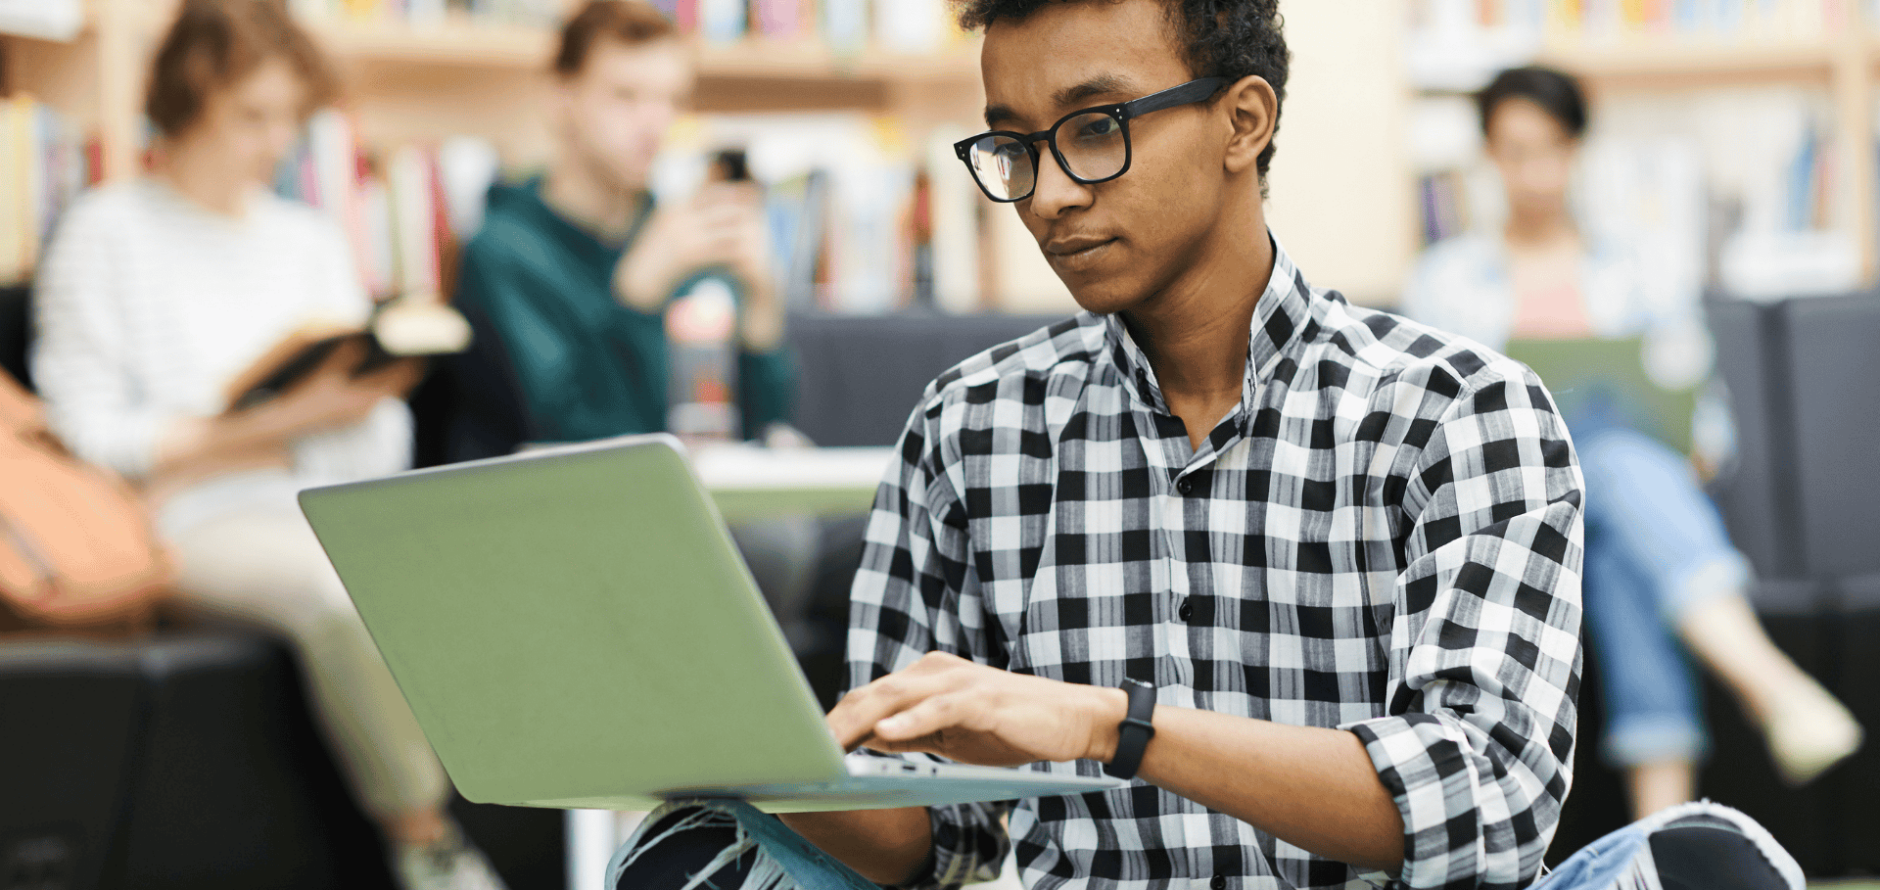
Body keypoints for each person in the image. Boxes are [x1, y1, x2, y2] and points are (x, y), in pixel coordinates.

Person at [615, 1, 1593, 887]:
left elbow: (1491, 801)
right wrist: (753, 750)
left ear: (1241, 122)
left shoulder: (1458, 412)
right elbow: (933, 838)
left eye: (1093, 128)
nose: (1045, 194)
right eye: (1011, 145)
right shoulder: (969, 428)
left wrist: (1108, 723)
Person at [30, 2, 504, 888]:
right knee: (337, 592)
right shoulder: (105, 233)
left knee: (500, 558)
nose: (276, 141)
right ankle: (426, 840)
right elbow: (90, 442)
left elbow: (378, 440)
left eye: (290, 117)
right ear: (187, 103)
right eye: (253, 115)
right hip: (184, 526)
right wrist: (271, 431)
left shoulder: (308, 241)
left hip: (319, 502)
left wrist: (280, 428)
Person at [1403, 66, 1863, 820]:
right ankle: (1771, 691)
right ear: (1489, 156)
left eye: (1552, 149)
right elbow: (1439, 428)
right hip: (1516, 514)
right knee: (1607, 472)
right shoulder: (1445, 283)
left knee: (1619, 528)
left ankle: (1656, 845)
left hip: (1631, 502)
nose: (1536, 172)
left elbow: (1704, 413)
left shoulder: (1641, 269)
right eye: (1516, 152)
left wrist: (1694, 446)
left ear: (1577, 150)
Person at [446, 0, 792, 462]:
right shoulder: (503, 252)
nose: (654, 123)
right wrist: (634, 295)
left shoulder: (677, 236)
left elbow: (750, 430)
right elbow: (571, 436)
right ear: (561, 100)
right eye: (625, 96)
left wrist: (762, 308)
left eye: (670, 99)